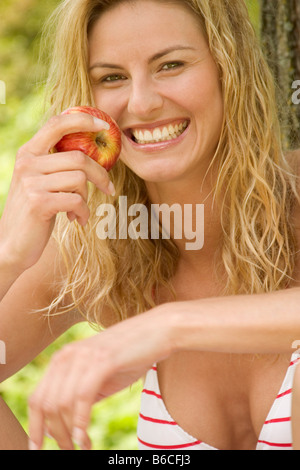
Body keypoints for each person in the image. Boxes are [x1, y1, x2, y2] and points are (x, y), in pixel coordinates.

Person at [1, 0, 300, 451]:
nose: (141, 103)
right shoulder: (98, 246)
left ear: (228, 68)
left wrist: (168, 325)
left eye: (171, 64)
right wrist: (6, 256)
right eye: (111, 77)